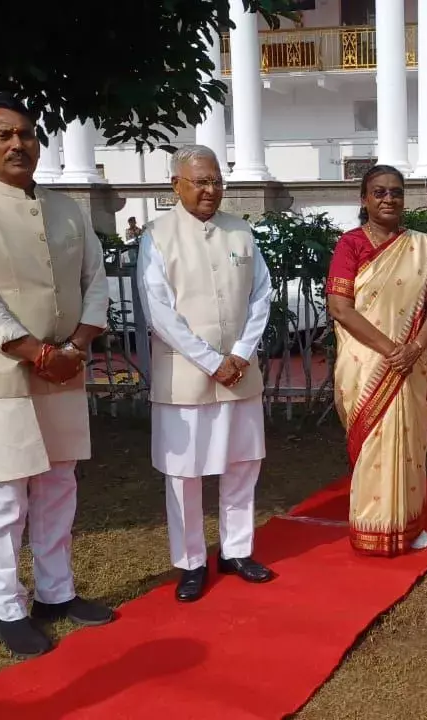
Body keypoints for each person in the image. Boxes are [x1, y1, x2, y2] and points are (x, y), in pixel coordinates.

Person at [0, 92, 115, 659]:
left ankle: (56, 592)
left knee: (59, 485)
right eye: (5, 135)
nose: (19, 144)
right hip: (3, 377)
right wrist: (41, 353)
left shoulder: (67, 210)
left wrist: (78, 345)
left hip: (65, 370)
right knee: (5, 495)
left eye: (28, 134)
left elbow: (97, 280)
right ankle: (6, 605)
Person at [136, 144, 276, 603]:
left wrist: (238, 353)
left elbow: (261, 297)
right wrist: (212, 361)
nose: (210, 190)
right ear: (176, 184)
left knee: (242, 465)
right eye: (200, 181)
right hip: (186, 379)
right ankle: (192, 561)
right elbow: (161, 313)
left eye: (216, 180)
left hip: (240, 374)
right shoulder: (157, 236)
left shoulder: (242, 233)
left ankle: (236, 551)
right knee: (185, 474)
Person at [326, 165, 427, 556]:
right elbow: (340, 307)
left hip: (411, 359)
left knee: (409, 441)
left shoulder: (426, 248)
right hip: (368, 360)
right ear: (364, 199)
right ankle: (371, 527)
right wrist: (392, 350)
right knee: (373, 443)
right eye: (379, 192)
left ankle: (408, 524)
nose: (389, 199)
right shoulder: (350, 245)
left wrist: (416, 346)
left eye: (396, 192)